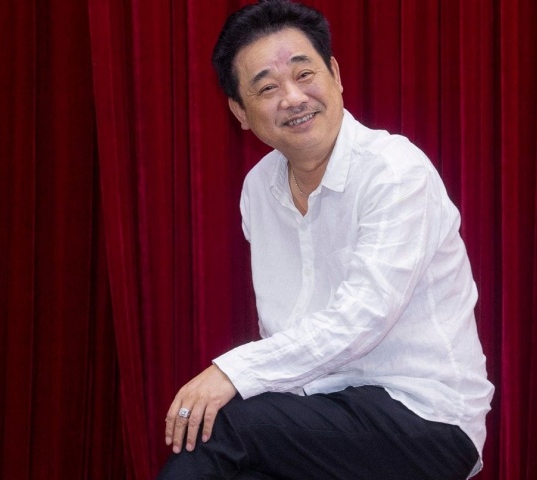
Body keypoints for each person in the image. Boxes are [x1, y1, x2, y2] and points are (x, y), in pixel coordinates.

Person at [158, 1, 494, 478]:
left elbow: (363, 316)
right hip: (321, 411)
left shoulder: (394, 171)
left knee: (224, 424)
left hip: (424, 417)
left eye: (304, 74)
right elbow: (283, 325)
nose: (293, 98)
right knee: (227, 456)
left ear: (335, 75)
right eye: (267, 88)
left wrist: (232, 371)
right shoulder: (259, 188)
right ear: (240, 112)